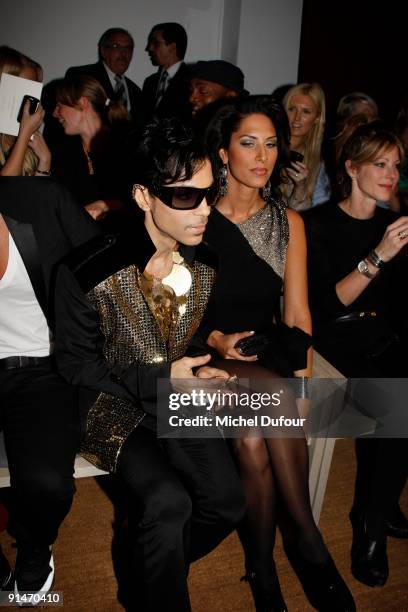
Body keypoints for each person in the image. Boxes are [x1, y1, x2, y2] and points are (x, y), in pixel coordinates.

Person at [54, 118, 245, 611]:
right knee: (168, 504)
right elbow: (76, 366)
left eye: (210, 192)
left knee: (227, 504)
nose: (204, 209)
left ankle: (150, 571)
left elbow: (185, 335)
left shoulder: (206, 263)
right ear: (143, 196)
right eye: (185, 197)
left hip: (173, 397)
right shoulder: (86, 271)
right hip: (110, 406)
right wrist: (164, 377)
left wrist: (202, 365)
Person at [203, 95, 355, 611]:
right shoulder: (196, 215)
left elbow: (297, 314)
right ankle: (307, 541)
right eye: (248, 143)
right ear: (223, 153)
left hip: (261, 353)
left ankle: (261, 564)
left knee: (251, 440)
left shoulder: (288, 222)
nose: (261, 155)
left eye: (270, 144)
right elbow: (173, 310)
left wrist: (306, 386)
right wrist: (215, 342)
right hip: (204, 357)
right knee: (268, 404)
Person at [303, 119, 408, 587]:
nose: (391, 174)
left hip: (384, 333)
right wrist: (379, 256)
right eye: (380, 164)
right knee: (394, 401)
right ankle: (370, 527)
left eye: (397, 166)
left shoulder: (394, 224)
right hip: (336, 337)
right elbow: (325, 306)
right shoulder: (317, 225)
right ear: (352, 167)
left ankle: (383, 501)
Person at [0, 176, 99, 598]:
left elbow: (108, 275)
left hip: (40, 366)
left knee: (48, 483)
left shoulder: (40, 200)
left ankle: (36, 545)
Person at [52, 74, 132, 222]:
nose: (55, 113)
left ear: (83, 103)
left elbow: (145, 200)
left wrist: (105, 206)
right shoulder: (64, 154)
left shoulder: (126, 144)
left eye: (59, 105)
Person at [65, 28, 142, 119]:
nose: (123, 53)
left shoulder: (135, 91)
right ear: (103, 50)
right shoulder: (81, 76)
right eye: (116, 46)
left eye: (128, 47)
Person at [0, 46, 51, 177]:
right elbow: (6, 188)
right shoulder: (23, 134)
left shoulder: (16, 135)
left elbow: (33, 195)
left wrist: (44, 162)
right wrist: (24, 135)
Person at [281, 82, 331, 211]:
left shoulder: (316, 163)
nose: (296, 118)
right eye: (291, 109)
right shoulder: (268, 148)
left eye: (306, 112)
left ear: (317, 118)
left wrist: (300, 188)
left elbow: (319, 213)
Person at [142, 22, 191, 122]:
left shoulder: (192, 81)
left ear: (172, 47)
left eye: (156, 43)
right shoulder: (150, 82)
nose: (149, 48)